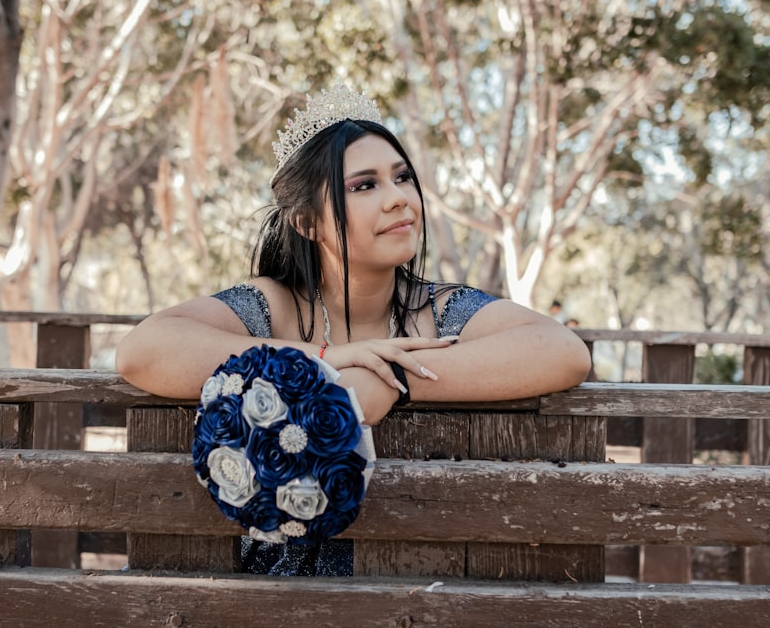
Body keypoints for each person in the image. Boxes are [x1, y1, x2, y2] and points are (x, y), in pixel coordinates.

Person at [116, 84, 591, 576]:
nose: (398, 200)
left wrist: (394, 379)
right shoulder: (273, 305)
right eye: (365, 185)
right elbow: (142, 352)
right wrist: (324, 360)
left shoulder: (439, 310)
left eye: (402, 178)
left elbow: (563, 351)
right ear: (306, 222)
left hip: (421, 585)